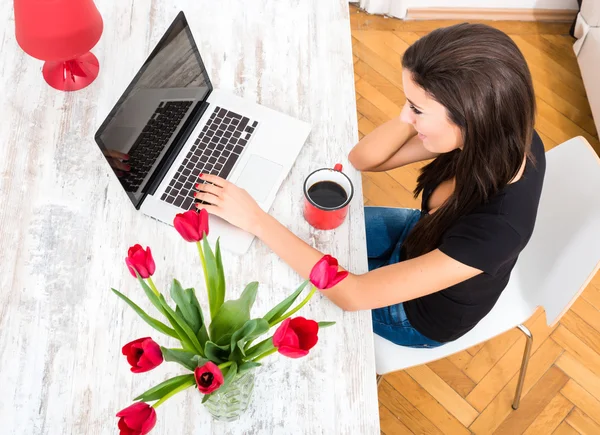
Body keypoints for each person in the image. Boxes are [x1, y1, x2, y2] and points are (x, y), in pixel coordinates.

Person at [193, 23, 546, 349]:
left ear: (471, 117)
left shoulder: (497, 232)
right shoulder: (494, 136)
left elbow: (355, 295)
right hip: (420, 234)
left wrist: (254, 218)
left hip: (418, 313)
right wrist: (418, 106)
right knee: (292, 234)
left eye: (417, 110)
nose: (406, 117)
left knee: (281, 277)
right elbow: (364, 158)